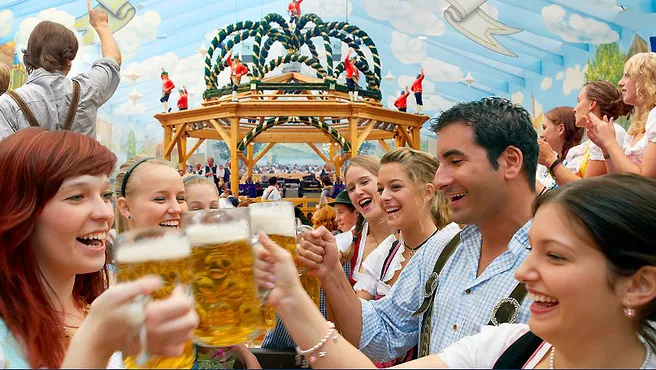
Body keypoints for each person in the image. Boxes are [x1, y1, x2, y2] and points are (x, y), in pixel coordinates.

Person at [256, 173, 656, 368]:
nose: (521, 272)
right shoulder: (511, 345)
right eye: (531, 249)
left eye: (555, 256)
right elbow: (380, 337)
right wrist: (291, 296)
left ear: (638, 285)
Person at [296, 97, 538, 361]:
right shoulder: (443, 250)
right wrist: (332, 273)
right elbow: (383, 334)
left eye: (455, 161)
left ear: (511, 161)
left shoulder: (565, 261)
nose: (440, 179)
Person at [0, 128, 197, 368]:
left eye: (105, 195)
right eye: (77, 196)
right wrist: (95, 345)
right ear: (20, 211)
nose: (105, 212)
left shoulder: (101, 299)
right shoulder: (7, 340)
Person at [113, 155, 196, 368]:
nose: (176, 209)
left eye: (180, 198)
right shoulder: (106, 279)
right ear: (125, 207)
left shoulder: (189, 267)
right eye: (160, 199)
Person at [0, 2, 121, 140]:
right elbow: (113, 60)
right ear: (68, 60)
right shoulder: (88, 89)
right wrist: (101, 26)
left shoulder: (7, 105)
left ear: (30, 56)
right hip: (81, 162)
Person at [541, 81, 630, 189]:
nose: (574, 109)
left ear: (592, 104)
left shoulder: (612, 132)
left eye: (578, 101)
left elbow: (586, 189)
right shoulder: (589, 143)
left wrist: (550, 159)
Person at [586, 52, 656, 178]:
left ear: (645, 80)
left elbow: (646, 179)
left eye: (627, 76)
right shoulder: (636, 127)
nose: (620, 82)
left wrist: (610, 142)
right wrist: (605, 148)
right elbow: (618, 179)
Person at [535, 107, 584, 193]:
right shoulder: (545, 162)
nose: (541, 135)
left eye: (544, 128)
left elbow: (571, 195)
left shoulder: (577, 162)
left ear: (561, 129)